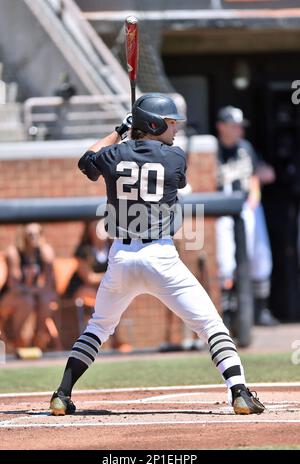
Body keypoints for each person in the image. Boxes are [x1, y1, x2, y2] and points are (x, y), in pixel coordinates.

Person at [49, 93, 265, 416]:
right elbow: (174, 177)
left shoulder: (113, 154)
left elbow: (86, 161)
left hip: (120, 257)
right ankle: (239, 392)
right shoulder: (175, 158)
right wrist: (134, 137)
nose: (174, 129)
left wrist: (121, 131)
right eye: (169, 123)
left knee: (98, 327)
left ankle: (61, 394)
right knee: (211, 324)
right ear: (153, 123)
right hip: (160, 256)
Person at [215, 106, 279, 327]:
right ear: (221, 126)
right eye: (233, 126)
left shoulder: (245, 148)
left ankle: (261, 311)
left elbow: (255, 174)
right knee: (225, 261)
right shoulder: (212, 150)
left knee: (260, 257)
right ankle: (229, 312)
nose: (238, 130)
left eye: (240, 126)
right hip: (222, 210)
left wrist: (254, 196)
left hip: (248, 208)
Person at [65, 219, 131, 351]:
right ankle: (92, 341)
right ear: (89, 229)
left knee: (116, 299)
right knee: (103, 300)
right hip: (83, 289)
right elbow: (89, 277)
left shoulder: (113, 246)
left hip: (103, 288)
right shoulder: (83, 250)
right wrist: (111, 276)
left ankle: (116, 340)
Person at [0, 223, 60, 351]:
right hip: (10, 297)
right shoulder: (14, 252)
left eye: (38, 234)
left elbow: (49, 286)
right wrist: (35, 290)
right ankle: (18, 340)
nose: (34, 238)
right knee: (27, 301)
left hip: (32, 294)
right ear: (23, 236)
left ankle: (38, 337)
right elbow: (14, 287)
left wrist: (47, 254)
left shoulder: (43, 251)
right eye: (30, 235)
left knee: (46, 299)